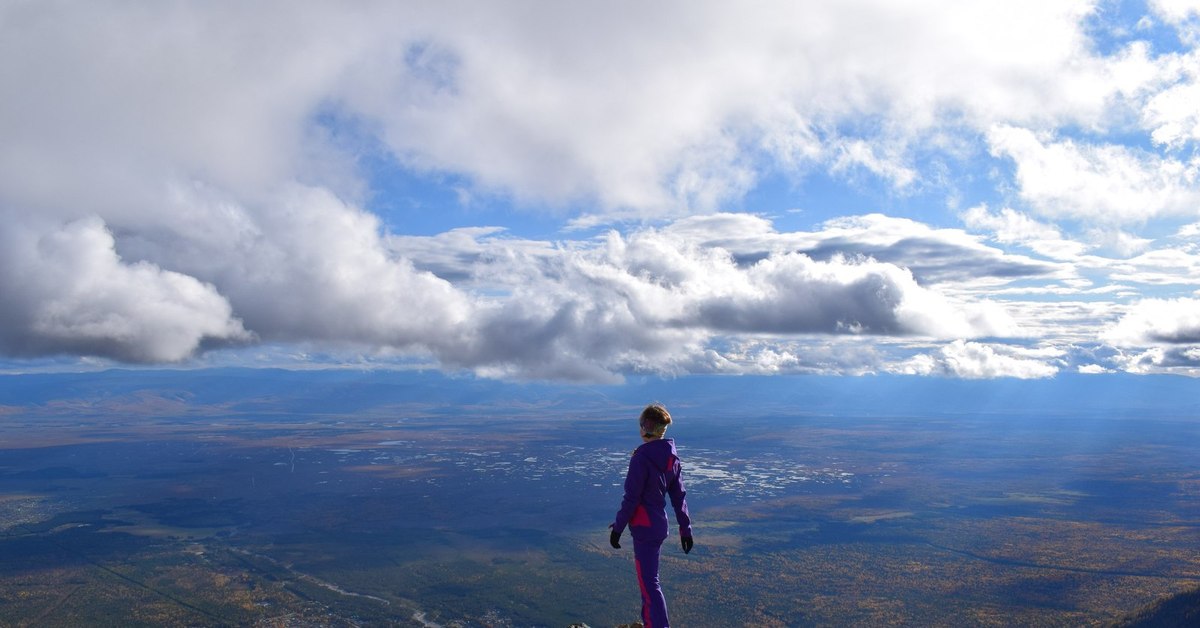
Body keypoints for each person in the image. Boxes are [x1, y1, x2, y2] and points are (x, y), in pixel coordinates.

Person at [609, 403, 693, 628]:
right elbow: (679, 497)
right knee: (651, 583)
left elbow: (631, 498)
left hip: (644, 529)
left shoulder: (641, 458)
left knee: (649, 586)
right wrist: (686, 529)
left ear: (646, 427)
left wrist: (618, 528)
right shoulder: (671, 457)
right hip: (658, 527)